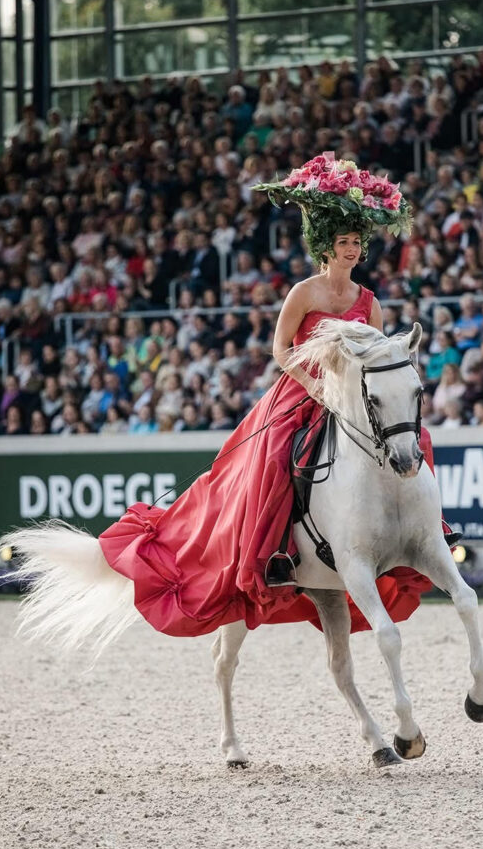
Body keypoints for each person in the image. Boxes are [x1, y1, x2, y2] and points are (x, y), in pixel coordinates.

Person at [98, 153, 456, 641]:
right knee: (274, 460)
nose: (351, 250)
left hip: (351, 400)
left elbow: (376, 359)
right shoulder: (303, 293)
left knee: (417, 437)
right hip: (301, 391)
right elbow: (279, 348)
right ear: (325, 247)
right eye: (343, 242)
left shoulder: (369, 301)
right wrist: (312, 385)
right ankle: (279, 555)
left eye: (356, 243)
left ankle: (429, 531)